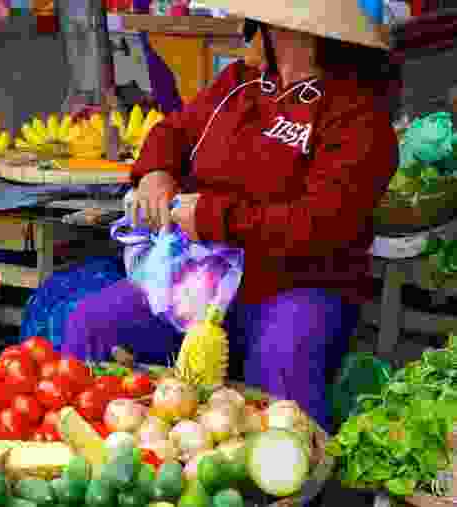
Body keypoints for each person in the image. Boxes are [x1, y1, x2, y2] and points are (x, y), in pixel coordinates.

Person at [59, 0, 399, 432]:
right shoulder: (240, 83)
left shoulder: (359, 117)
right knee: (93, 324)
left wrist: (213, 216)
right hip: (203, 275)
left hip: (301, 287)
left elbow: (320, 224)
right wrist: (156, 173)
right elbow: (174, 130)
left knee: (281, 370)